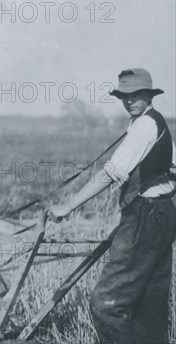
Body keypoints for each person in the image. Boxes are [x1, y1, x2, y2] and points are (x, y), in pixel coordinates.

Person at [48, 68, 176, 344]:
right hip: (163, 215)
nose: (129, 101)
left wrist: (67, 206)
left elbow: (110, 172)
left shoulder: (143, 126)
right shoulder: (157, 123)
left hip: (145, 216)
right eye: (123, 96)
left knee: (106, 304)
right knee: (149, 307)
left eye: (136, 95)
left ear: (148, 95)